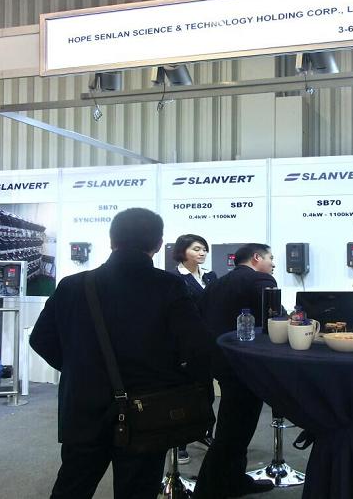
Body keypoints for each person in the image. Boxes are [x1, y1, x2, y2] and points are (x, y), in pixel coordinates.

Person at [29, 208, 211, 499]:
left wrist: (80, 368)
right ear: (157, 244)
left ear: (112, 240)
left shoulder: (73, 285)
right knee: (137, 490)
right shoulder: (168, 286)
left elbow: (40, 339)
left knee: (72, 486)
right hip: (148, 410)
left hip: (83, 407)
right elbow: (197, 347)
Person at [193, 243, 278, 499]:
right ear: (256, 258)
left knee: (235, 424)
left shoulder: (216, 284)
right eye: (270, 258)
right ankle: (209, 489)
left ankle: (234, 480)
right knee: (235, 429)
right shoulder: (261, 280)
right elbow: (274, 320)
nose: (273, 264)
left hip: (219, 361)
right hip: (247, 364)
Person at [171, 233, 218, 463]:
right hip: (183, 344)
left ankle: (205, 432)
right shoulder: (173, 278)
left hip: (207, 342)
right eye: (196, 249)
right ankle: (180, 442)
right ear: (183, 251)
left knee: (207, 391)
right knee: (184, 394)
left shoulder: (210, 276)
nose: (202, 253)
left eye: (204, 249)